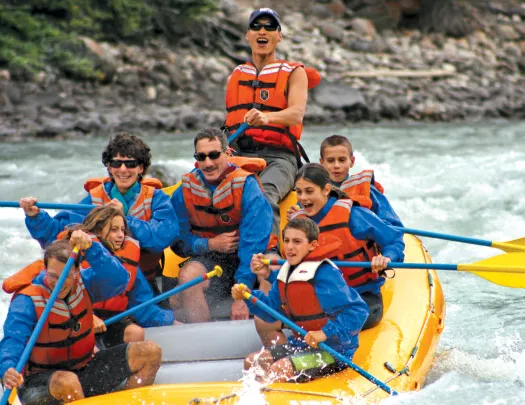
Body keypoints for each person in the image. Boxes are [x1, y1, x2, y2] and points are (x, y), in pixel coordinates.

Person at [0, 236, 162, 405]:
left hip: (84, 368)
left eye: (65, 276)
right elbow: (13, 340)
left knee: (150, 352)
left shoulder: (85, 282)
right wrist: (8, 369)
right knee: (68, 382)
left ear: (77, 272)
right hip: (41, 383)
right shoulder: (27, 300)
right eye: (53, 276)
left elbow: (120, 279)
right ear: (45, 269)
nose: (58, 283)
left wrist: (92, 248)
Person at [20, 132, 179, 293]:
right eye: (116, 163)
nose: (123, 169)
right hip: (101, 287)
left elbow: (164, 236)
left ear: (141, 168)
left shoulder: (157, 199)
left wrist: (124, 218)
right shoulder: (94, 199)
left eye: (130, 163)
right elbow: (56, 235)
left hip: (143, 284)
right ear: (109, 167)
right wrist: (35, 216)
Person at [231, 217, 369, 383]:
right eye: (287, 241)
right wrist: (248, 296)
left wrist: (324, 333)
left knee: (280, 369)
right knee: (252, 362)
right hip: (301, 345)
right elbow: (271, 312)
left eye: (297, 241)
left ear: (312, 245)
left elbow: (359, 311)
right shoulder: (285, 273)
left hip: (334, 351)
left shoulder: (325, 274)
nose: (289, 247)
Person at [224, 8, 321, 242]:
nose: (262, 31)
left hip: (279, 157)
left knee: (264, 193)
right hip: (240, 152)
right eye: (256, 27)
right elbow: (230, 124)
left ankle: (268, 258)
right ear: (248, 35)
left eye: (270, 27)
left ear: (279, 36)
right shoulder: (235, 76)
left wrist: (267, 118)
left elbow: (296, 114)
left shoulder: (295, 73)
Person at [170, 128, 273, 323]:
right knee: (188, 275)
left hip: (252, 258)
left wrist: (241, 293)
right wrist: (209, 245)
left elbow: (254, 244)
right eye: (201, 157)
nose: (208, 163)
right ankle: (202, 338)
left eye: (214, 155)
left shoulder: (247, 186)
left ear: (227, 153)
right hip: (214, 260)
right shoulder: (184, 192)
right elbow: (178, 241)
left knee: (270, 269)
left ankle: (271, 330)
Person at [60, 206, 177, 348]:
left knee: (135, 333)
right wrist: (87, 316)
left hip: (112, 320)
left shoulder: (128, 262)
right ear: (97, 231)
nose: (121, 235)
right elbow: (60, 297)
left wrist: (171, 320)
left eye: (122, 230)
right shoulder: (74, 254)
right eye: (114, 230)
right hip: (78, 319)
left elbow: (143, 306)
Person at [319, 135, 403, 227]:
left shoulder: (367, 189)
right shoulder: (312, 191)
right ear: (321, 162)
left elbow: (392, 223)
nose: (336, 165)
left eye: (342, 160)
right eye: (330, 161)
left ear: (352, 161)